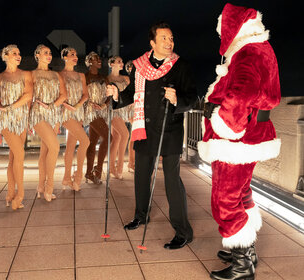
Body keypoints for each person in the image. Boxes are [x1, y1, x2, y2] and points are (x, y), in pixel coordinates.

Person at [197, 4, 281, 280]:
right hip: (251, 136)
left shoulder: (248, 52)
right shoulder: (259, 49)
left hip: (236, 139)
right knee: (241, 193)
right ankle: (244, 249)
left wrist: (220, 122)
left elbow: (241, 96)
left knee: (225, 198)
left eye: (223, 29)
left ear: (233, 28)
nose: (222, 35)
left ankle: (243, 264)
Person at [108, 22, 197, 249]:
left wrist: (177, 99)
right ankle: (141, 215)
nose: (169, 42)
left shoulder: (181, 65)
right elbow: (130, 94)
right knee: (141, 176)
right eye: (164, 38)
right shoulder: (139, 66)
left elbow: (192, 98)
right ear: (153, 43)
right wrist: (116, 94)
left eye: (171, 38)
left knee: (171, 181)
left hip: (170, 130)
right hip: (144, 128)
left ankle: (183, 231)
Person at [0, 44, 33, 209]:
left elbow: (28, 96)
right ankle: (20, 195)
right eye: (14, 53)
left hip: (21, 120)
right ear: (5, 56)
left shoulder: (26, 74)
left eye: (19, 53)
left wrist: (27, 120)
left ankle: (10, 193)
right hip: (5, 121)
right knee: (20, 154)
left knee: (13, 158)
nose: (18, 56)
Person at [30, 44, 67, 202]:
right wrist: (27, 122)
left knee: (45, 152)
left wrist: (54, 111)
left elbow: (63, 95)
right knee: (55, 147)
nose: (49, 55)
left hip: (53, 115)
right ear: (37, 55)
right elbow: (28, 97)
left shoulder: (56, 75)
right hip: (37, 115)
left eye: (50, 53)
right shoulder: (31, 74)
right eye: (45, 52)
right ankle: (49, 188)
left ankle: (40, 186)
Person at [59, 47, 90, 191]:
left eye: (76, 54)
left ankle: (66, 178)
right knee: (85, 141)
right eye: (72, 54)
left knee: (71, 146)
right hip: (65, 113)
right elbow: (57, 95)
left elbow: (85, 94)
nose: (75, 56)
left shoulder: (81, 75)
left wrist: (76, 106)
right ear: (64, 57)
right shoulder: (59, 75)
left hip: (78, 113)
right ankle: (78, 178)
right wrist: (66, 106)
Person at [84, 51, 110, 185]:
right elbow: (81, 95)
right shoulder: (85, 77)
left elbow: (110, 96)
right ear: (89, 62)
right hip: (90, 112)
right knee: (108, 136)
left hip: (101, 112)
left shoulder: (104, 78)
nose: (99, 60)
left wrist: (104, 105)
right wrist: (89, 103)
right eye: (95, 59)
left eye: (99, 58)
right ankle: (98, 170)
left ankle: (89, 173)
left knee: (93, 142)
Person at [107, 56, 130, 180]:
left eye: (122, 61)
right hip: (113, 111)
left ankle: (111, 169)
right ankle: (119, 169)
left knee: (116, 138)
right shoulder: (107, 79)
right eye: (119, 61)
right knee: (125, 135)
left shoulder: (126, 78)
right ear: (111, 64)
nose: (122, 63)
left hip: (124, 111)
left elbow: (132, 93)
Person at [124, 60, 135, 173]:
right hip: (131, 110)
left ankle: (132, 162)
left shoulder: (138, 81)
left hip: (138, 109)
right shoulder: (127, 81)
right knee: (133, 136)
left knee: (135, 136)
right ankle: (131, 163)